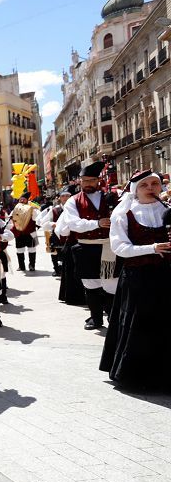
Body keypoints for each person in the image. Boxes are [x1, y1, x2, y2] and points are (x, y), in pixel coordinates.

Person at [100, 170, 171, 389]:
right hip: (137, 279)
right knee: (139, 325)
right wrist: (152, 248)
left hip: (166, 276)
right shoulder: (124, 214)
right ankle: (138, 377)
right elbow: (119, 247)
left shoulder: (167, 211)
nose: (151, 188)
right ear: (135, 190)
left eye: (155, 184)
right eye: (144, 185)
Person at [61, 162, 119, 329]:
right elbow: (74, 224)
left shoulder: (110, 197)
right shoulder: (73, 201)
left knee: (111, 284)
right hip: (86, 247)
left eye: (91, 180)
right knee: (91, 284)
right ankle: (96, 318)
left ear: (98, 180)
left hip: (108, 246)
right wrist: (97, 223)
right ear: (80, 181)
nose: (87, 184)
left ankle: (112, 318)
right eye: (84, 180)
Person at [10, 195, 40, 272]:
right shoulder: (16, 209)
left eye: (24, 199)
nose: (22, 201)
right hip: (19, 233)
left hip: (31, 232)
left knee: (32, 249)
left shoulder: (32, 209)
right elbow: (11, 219)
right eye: (21, 199)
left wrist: (32, 210)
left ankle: (32, 265)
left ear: (27, 200)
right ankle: (21, 266)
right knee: (19, 250)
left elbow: (37, 218)